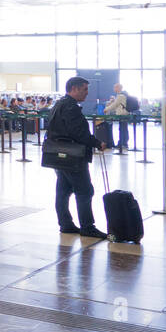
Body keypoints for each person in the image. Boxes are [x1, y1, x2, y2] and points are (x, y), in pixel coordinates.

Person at [48, 76, 107, 239]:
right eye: (84, 89)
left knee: (63, 190)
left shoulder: (58, 104)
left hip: (58, 155)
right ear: (74, 89)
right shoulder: (71, 108)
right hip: (73, 156)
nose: (86, 93)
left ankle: (65, 224)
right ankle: (88, 226)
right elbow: (78, 133)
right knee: (85, 191)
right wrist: (97, 143)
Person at [105, 83, 130, 151]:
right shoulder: (123, 95)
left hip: (122, 115)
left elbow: (115, 105)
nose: (114, 89)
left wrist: (106, 109)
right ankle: (124, 143)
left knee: (122, 129)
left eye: (115, 87)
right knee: (124, 129)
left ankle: (122, 144)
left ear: (119, 88)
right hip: (125, 114)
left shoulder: (120, 96)